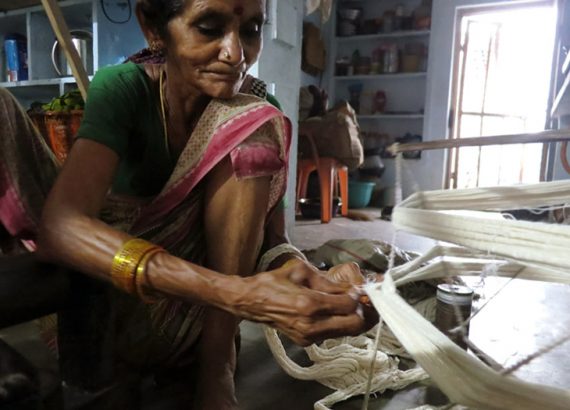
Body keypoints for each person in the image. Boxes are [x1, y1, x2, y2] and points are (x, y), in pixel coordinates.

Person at [0, 0, 374, 408]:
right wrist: (234, 293)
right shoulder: (124, 88)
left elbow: (271, 243)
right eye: (209, 28)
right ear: (153, 28)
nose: (236, 54)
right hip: (107, 314)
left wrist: (311, 278)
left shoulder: (257, 115)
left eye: (250, 31)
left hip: (200, 325)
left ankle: (217, 370)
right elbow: (61, 226)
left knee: (253, 119)